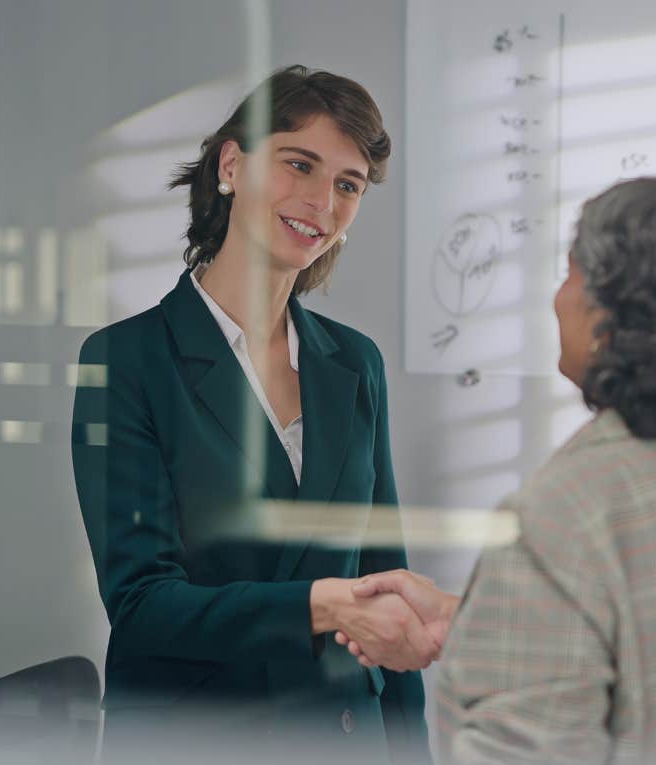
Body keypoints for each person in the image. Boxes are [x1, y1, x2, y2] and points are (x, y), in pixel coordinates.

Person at [343, 178, 656, 764]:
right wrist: (473, 620)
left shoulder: (567, 510)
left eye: (571, 275)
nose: (557, 299)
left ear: (616, 315)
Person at [70, 65, 432, 764]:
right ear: (231, 165)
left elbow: (388, 584)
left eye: (348, 184)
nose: (322, 200)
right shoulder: (127, 359)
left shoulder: (355, 365)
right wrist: (323, 605)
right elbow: (143, 604)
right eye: (300, 163)